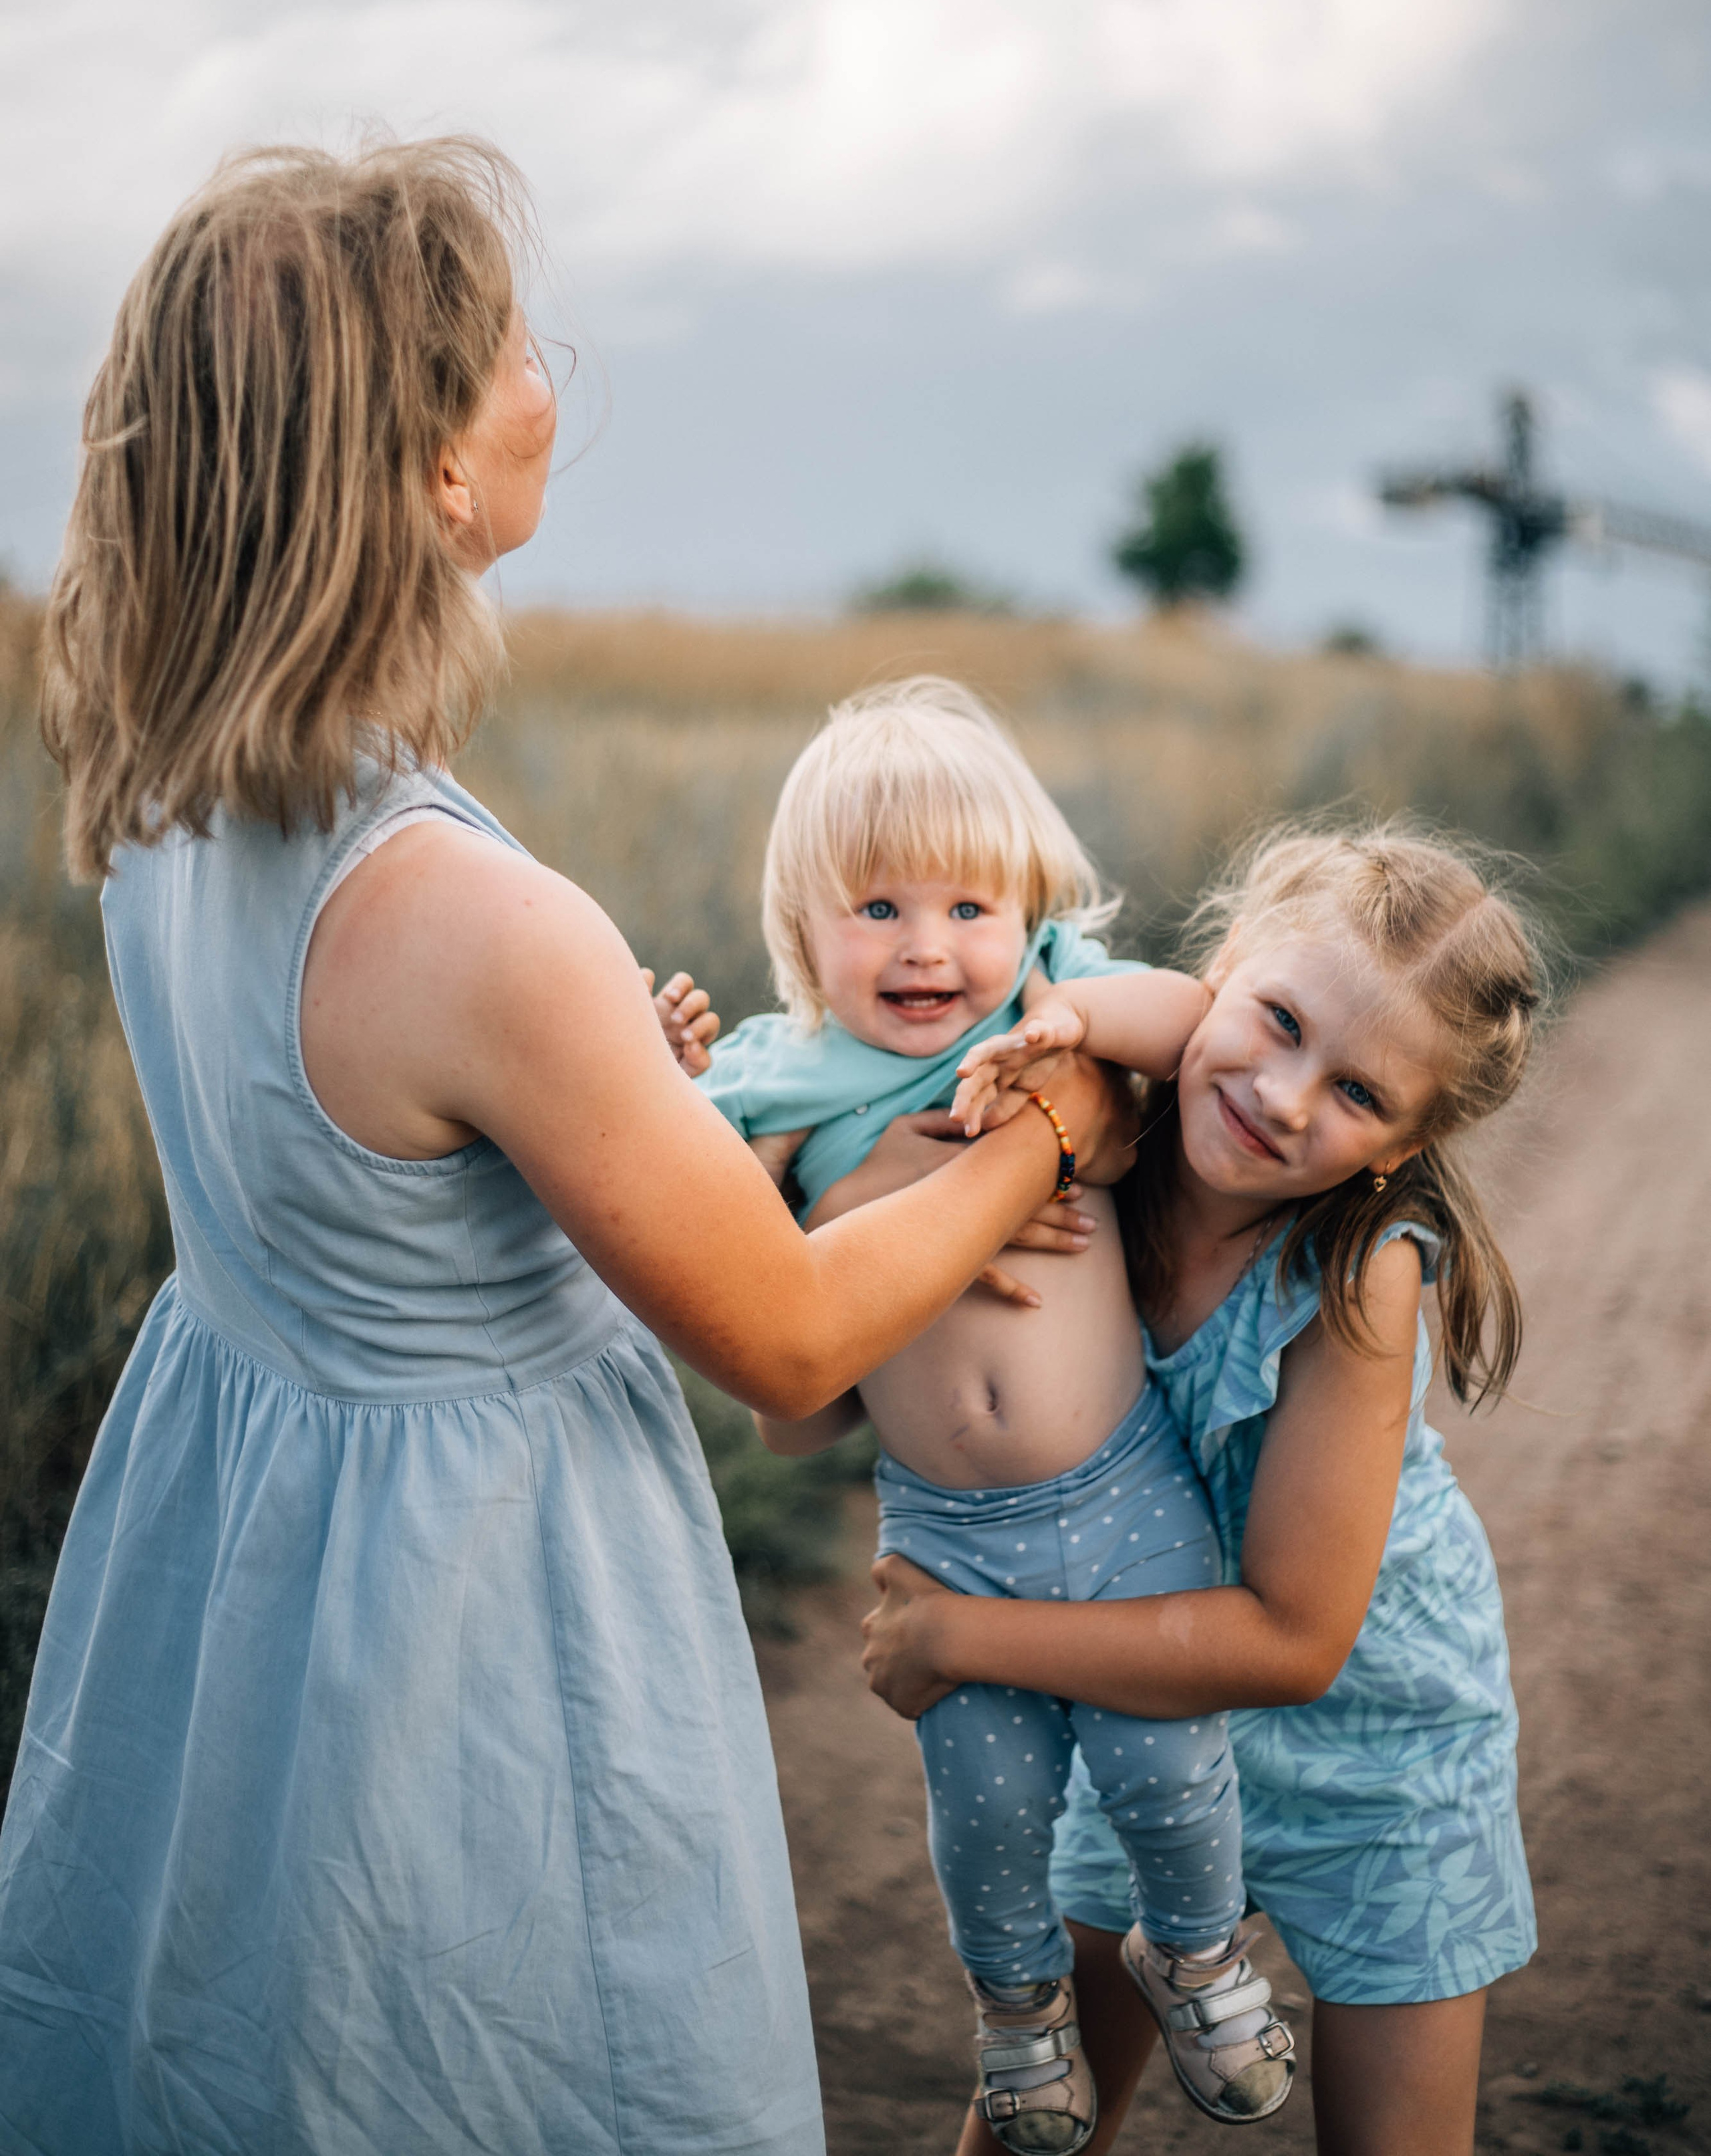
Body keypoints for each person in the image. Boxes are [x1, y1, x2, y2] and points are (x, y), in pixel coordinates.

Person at [0, 139, 1134, 2156]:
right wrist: (1048, 1125)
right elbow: (787, 1339)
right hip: (465, 1591)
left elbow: (370, 1166)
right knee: (486, 2037)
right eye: (517, 346)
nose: (552, 376)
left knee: (253, 2032)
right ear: (435, 470)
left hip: (242, 1543)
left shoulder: (167, 798)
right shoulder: (463, 911)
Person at [858, 824, 1543, 2156]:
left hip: (1379, 1764)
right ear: (1216, 972)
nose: (1285, 1097)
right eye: (1276, 1020)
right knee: (1030, 2134)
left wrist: (958, 1633)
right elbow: (818, 1369)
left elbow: (1291, 1641)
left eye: (1357, 1094)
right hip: (1147, 1720)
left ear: (1405, 1148)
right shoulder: (1090, 1141)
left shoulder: (1359, 1276)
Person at [696, 681, 1297, 2151]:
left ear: (1028, 912)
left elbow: (1193, 1022)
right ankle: (1019, 2014)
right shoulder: (786, 1078)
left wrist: (1078, 1017)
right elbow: (704, 1224)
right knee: (987, 1816)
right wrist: (672, 1075)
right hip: (943, 1528)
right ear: (801, 934)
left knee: (1167, 1770)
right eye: (875, 907)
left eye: (969, 904)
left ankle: (1199, 1949)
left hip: (1116, 1489)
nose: (923, 944)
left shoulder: (1052, 1007)